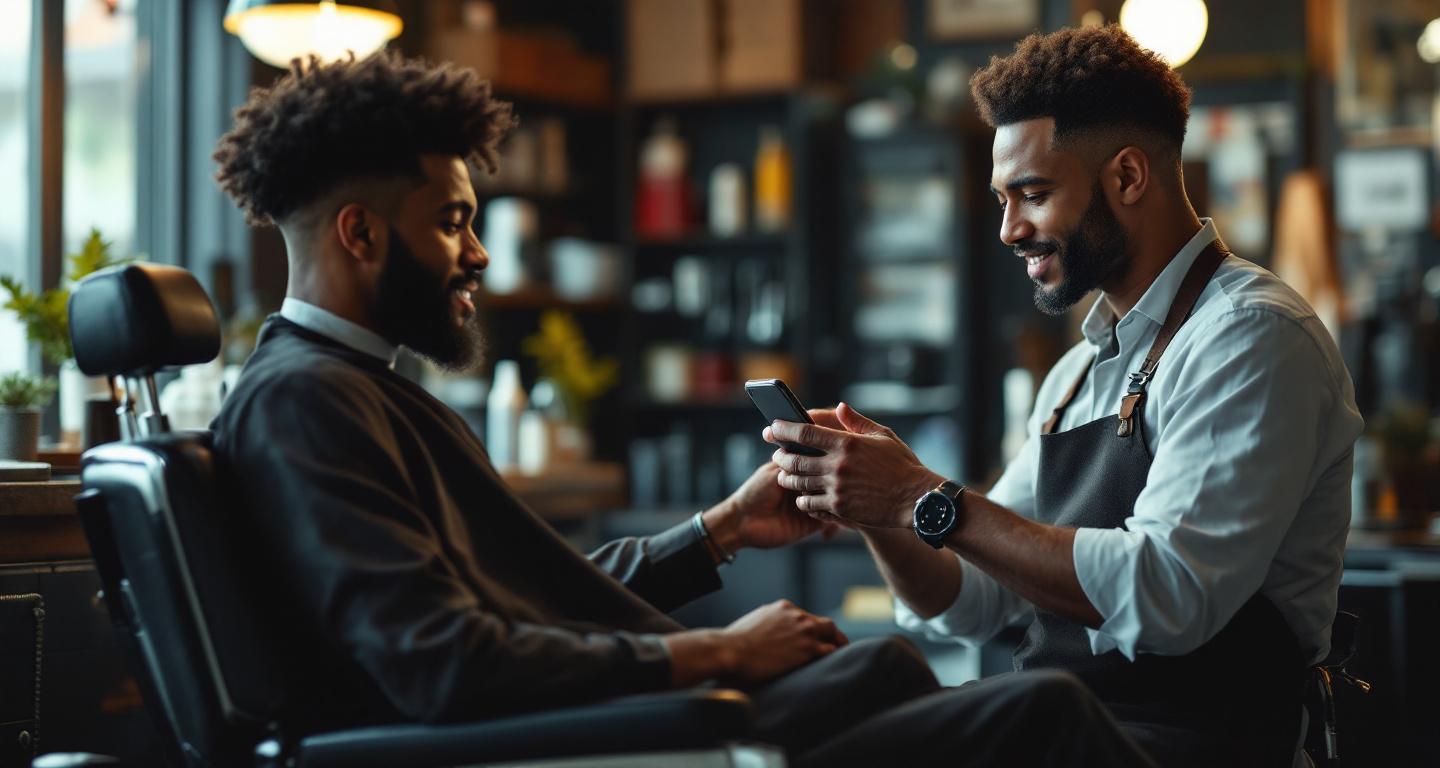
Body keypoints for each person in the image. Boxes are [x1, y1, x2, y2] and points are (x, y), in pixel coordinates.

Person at [211, 52, 1151, 767]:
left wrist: (720, 531)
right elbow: (443, 665)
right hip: (586, 736)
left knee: (889, 666)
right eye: (453, 222)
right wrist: (715, 656)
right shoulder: (308, 405)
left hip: (630, 702)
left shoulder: (361, 389)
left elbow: (530, 598)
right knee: (1046, 711)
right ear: (361, 231)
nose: (479, 255)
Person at [767, 25, 1364, 768]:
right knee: (863, 685)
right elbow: (971, 599)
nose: (1010, 229)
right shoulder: (1076, 375)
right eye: (1002, 199)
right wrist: (876, 506)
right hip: (1078, 739)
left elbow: (1169, 595)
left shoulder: (1250, 339)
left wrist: (923, 496)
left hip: (1201, 750)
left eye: (1033, 194)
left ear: (1127, 177)